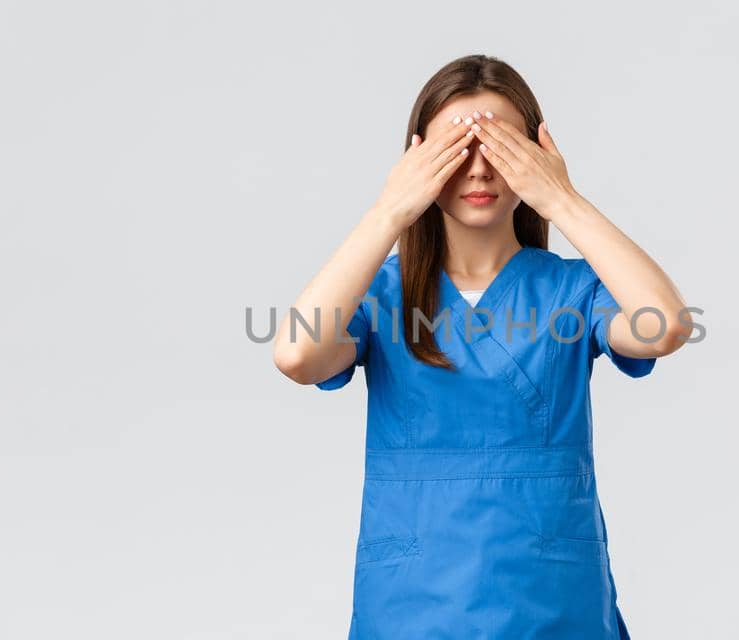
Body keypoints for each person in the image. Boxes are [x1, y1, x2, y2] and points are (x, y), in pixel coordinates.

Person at [272, 53, 693, 639]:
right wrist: (390, 209)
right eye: (455, 148)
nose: (478, 169)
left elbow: (665, 325)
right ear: (418, 160)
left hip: (550, 599)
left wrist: (563, 199)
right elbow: (296, 355)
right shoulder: (381, 296)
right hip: (412, 601)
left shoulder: (571, 290)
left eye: (499, 148)